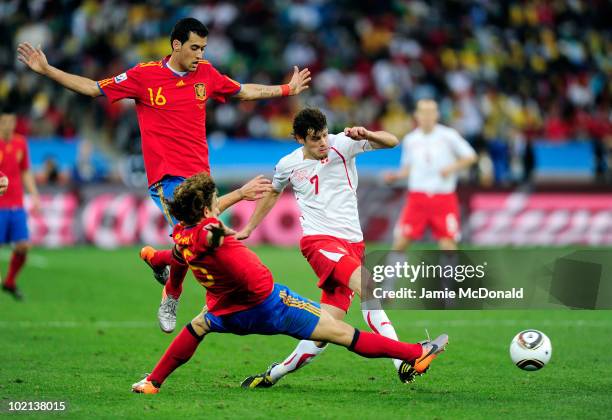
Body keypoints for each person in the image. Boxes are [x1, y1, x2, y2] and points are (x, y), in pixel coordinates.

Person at [16, 17, 309, 283]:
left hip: (201, 176)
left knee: (201, 239)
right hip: (166, 177)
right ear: (176, 45)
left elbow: (243, 90)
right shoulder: (144, 76)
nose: (200, 55)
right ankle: (174, 295)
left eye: (204, 48)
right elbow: (93, 88)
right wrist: (47, 69)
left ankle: (157, 260)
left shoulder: (206, 73)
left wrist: (286, 89)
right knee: (200, 237)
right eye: (195, 48)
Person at [131, 172, 448, 393]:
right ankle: (413, 353)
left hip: (225, 311)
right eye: (214, 201)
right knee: (339, 332)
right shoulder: (207, 230)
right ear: (205, 211)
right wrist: (218, 231)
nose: (218, 204)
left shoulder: (183, 233)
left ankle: (153, 382)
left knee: (196, 327)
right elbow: (210, 233)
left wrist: (153, 257)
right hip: (271, 304)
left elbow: (176, 255)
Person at [232, 108, 419, 386]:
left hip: (353, 244)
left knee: (324, 331)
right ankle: (402, 358)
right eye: (314, 139)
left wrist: (367, 133)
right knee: (368, 287)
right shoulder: (287, 164)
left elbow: (392, 141)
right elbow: (274, 191)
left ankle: (273, 374)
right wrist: (248, 228)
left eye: (323, 135)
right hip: (318, 242)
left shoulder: (342, 143)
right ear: (299, 139)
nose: (323, 143)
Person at [383, 99, 477, 252]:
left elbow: (470, 156)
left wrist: (452, 167)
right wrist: (396, 176)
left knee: (448, 245)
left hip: (443, 196)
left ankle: (450, 276)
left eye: (430, 112)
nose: (427, 116)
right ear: (417, 115)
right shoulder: (411, 139)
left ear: (437, 115)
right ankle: (388, 276)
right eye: (423, 112)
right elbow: (408, 168)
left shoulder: (448, 135)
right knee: (400, 243)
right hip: (417, 198)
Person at [0, 104, 40, 300]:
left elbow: (25, 171)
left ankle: (9, 281)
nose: (9, 125)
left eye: (11, 122)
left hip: (16, 204)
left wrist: (34, 194)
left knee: (23, 246)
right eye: (5, 122)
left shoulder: (20, 143)